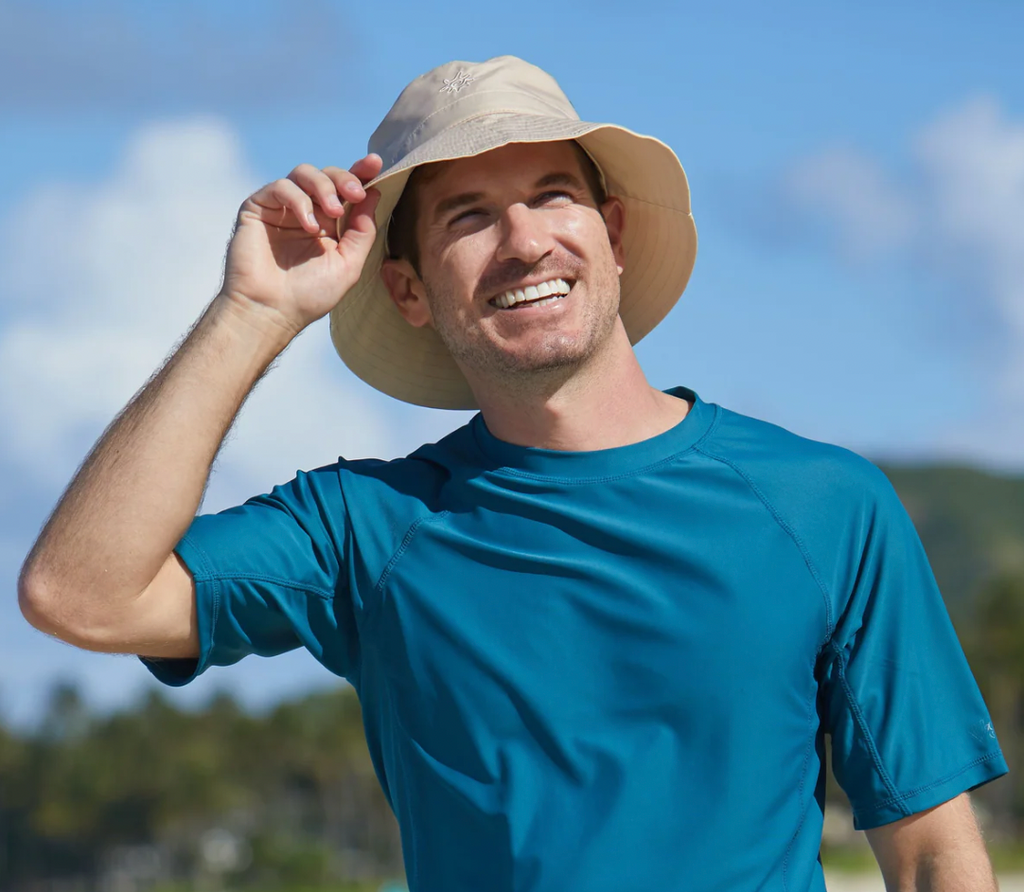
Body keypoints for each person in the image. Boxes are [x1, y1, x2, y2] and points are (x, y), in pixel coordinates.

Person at [18, 55, 1007, 891]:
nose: (526, 241)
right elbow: (81, 595)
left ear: (613, 233)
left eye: (552, 195)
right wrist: (252, 312)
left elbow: (931, 855)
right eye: (468, 216)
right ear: (407, 288)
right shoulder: (366, 527)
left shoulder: (824, 505)